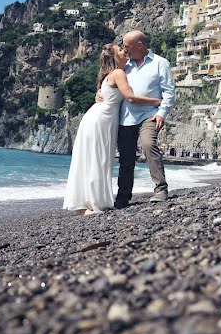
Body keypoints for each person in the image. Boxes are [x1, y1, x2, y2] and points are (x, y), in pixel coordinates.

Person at [63, 44, 162, 215]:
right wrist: (156, 101)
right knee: (98, 160)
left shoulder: (110, 74)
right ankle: (90, 205)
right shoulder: (118, 73)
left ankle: (85, 205)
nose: (125, 51)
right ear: (116, 57)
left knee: (92, 160)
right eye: (121, 50)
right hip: (101, 120)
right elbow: (130, 97)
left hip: (99, 118)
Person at [112, 30, 175, 207]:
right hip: (125, 117)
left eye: (127, 46)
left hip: (149, 114)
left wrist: (161, 113)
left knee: (148, 145)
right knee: (126, 157)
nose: (125, 50)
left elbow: (169, 92)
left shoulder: (160, 63)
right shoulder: (124, 65)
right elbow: (109, 80)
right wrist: (99, 93)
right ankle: (123, 196)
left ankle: (161, 189)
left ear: (139, 45)